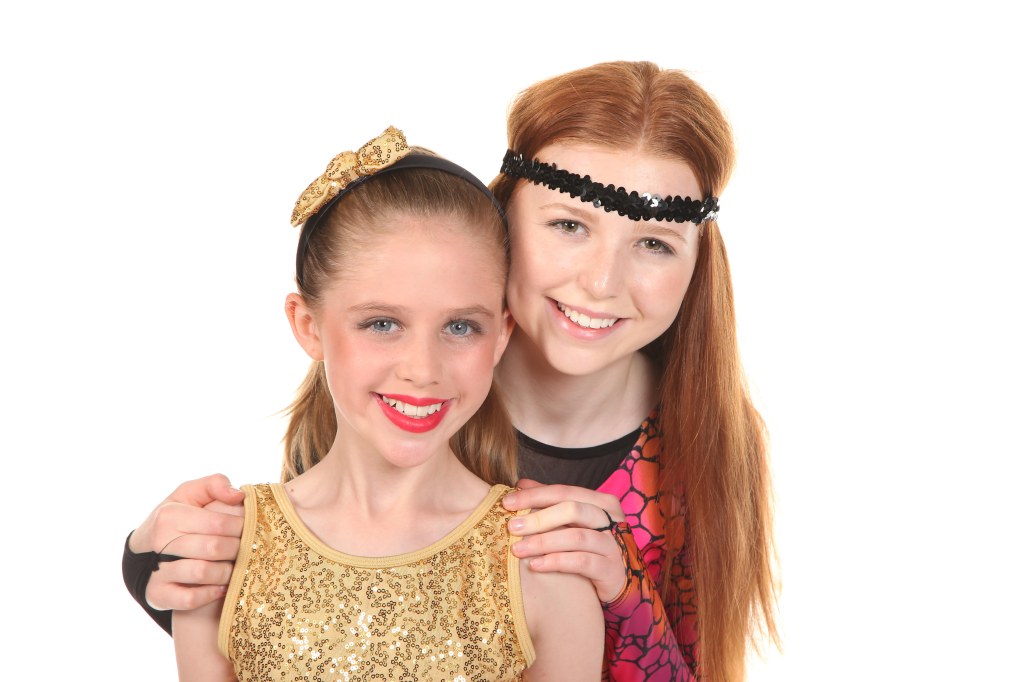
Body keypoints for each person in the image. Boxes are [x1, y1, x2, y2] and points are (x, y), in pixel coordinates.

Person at [125, 62, 778, 682]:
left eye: (655, 243)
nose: (602, 282)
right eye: (568, 225)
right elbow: (314, 629)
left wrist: (626, 596)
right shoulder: (401, 400)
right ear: (503, 223)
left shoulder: (707, 439)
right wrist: (154, 557)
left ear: (699, 263)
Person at [167, 126, 604, 681]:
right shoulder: (222, 555)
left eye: (460, 326)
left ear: (501, 336)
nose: (422, 369)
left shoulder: (542, 566)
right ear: (309, 326)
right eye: (382, 324)